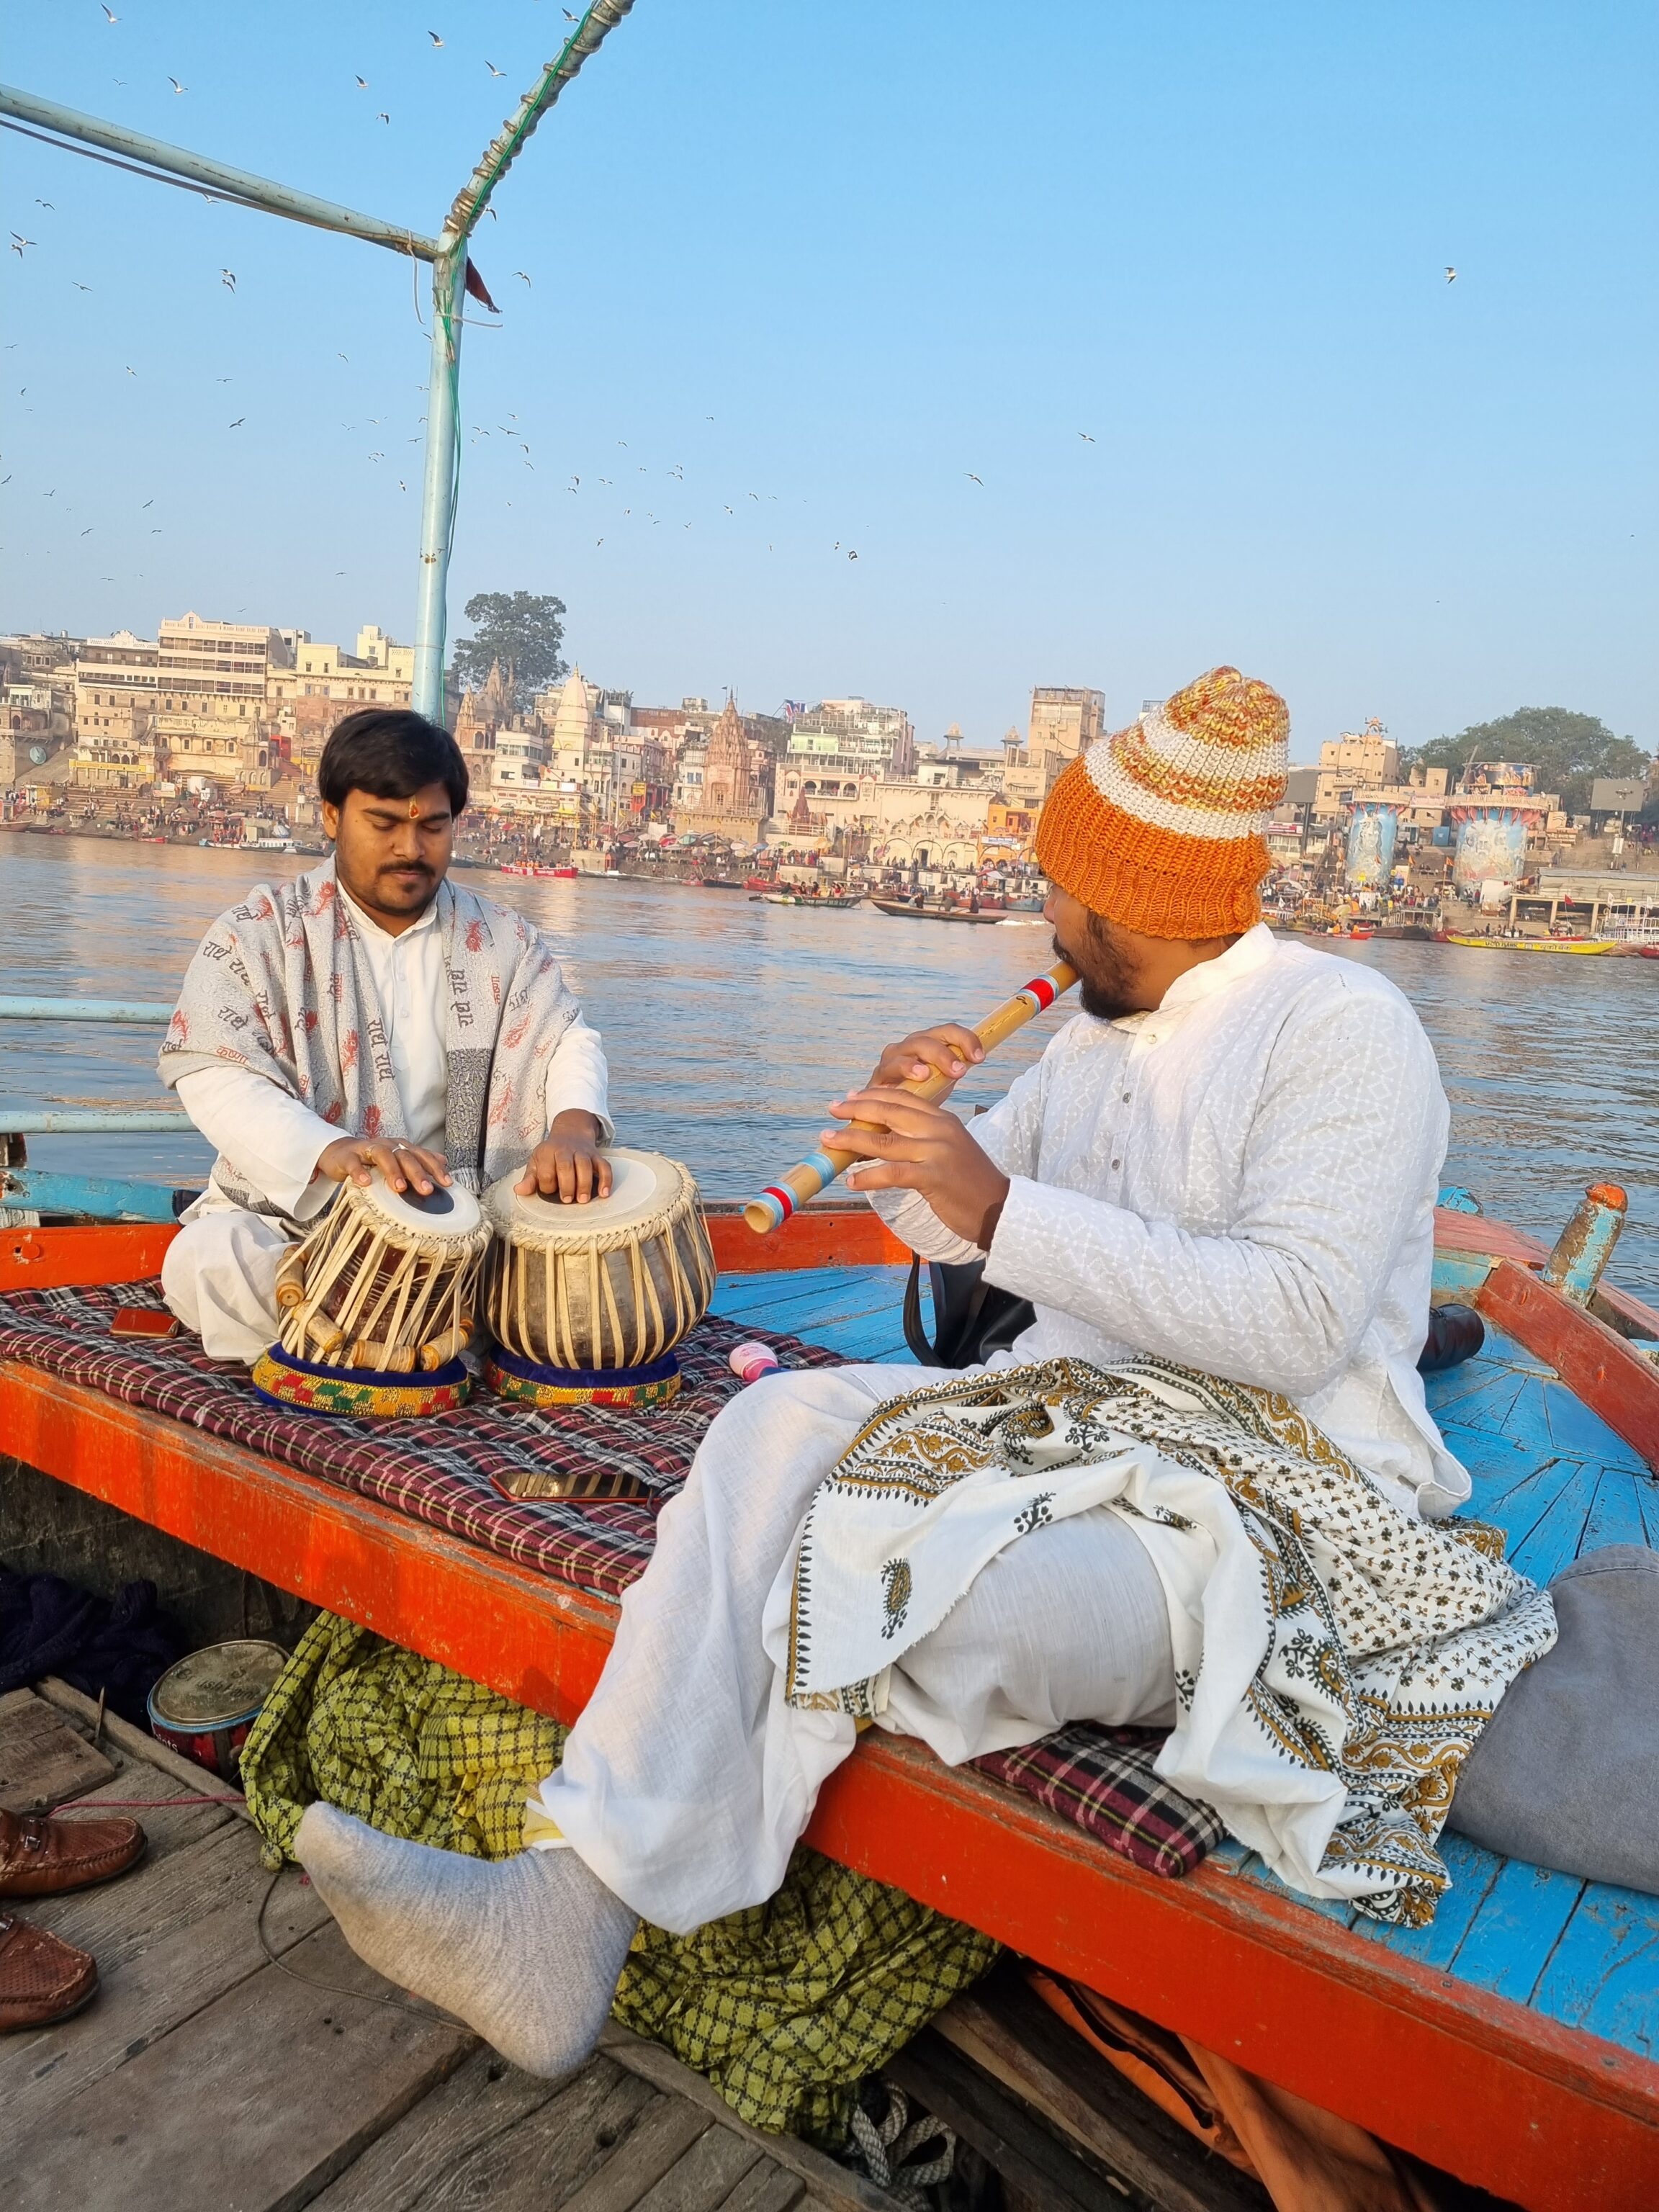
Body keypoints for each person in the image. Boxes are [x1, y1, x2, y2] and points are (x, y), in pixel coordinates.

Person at [292, 668, 1555, 2078]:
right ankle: (572, 1901)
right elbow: (947, 1212)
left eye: (1061, 896)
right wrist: (915, 1123)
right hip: (1074, 1431)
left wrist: (1003, 1205)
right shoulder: (1094, 1041)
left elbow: (1300, 1322)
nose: (1044, 922)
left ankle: (585, 1896)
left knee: (878, 1594)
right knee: (772, 1430)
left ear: (1134, 898)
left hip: (1274, 1506)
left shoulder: (1345, 1028)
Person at [159, 709, 613, 1362]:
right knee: (210, 1260)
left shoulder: (506, 941)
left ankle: (377, 1346)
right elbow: (214, 1072)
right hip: (298, 1227)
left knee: (586, 1270)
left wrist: (572, 1128)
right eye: (385, 824)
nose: (411, 848)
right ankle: (394, 1352)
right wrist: (335, 1151)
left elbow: (567, 1036)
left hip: (463, 1233)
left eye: (433, 826)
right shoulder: (258, 932)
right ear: (331, 815)